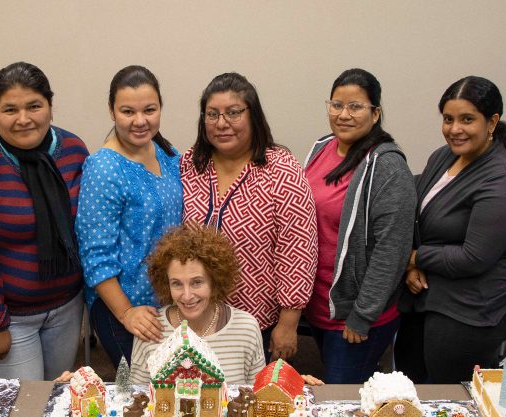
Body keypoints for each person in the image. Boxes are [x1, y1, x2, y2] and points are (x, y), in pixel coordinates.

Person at [0, 62, 88, 380]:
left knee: (57, 400)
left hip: (65, 308)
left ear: (50, 106)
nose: (23, 119)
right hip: (7, 318)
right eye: (10, 109)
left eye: (34, 106)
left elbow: (86, 229)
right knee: (20, 414)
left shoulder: (73, 150)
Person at [56, 225, 321, 386]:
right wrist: (80, 384)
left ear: (216, 281)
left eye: (197, 282)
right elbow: (133, 396)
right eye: (176, 284)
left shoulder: (246, 326)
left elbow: (257, 393)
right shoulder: (152, 327)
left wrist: (296, 386)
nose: (186, 295)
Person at [395, 76, 506, 384]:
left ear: (492, 121)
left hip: (471, 306)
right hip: (426, 290)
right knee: (409, 384)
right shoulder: (443, 156)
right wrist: (410, 266)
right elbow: (418, 215)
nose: (455, 129)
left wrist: (415, 257)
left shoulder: (502, 181)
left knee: (451, 398)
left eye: (467, 119)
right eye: (448, 119)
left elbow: (474, 257)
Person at [181, 72, 317, 362]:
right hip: (194, 316)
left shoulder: (281, 169)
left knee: (249, 401)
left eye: (233, 113)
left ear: (252, 115)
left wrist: (289, 321)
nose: (221, 123)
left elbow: (297, 250)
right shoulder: (191, 164)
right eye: (212, 114)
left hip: (257, 321)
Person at [302, 69, 416, 383]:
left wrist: (362, 315)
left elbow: (391, 251)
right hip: (321, 308)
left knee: (341, 400)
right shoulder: (322, 148)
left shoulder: (387, 166)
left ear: (375, 113)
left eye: (356, 107)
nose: (343, 115)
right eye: (336, 105)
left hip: (355, 318)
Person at [76, 65, 182, 368]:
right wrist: (126, 313)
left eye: (150, 110)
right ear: (112, 111)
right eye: (127, 111)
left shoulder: (167, 153)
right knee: (143, 393)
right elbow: (95, 255)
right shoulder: (104, 168)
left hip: (168, 301)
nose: (140, 121)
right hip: (124, 307)